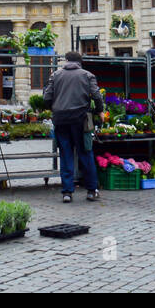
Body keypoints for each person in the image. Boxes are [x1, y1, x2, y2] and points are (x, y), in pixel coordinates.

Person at [44, 50, 103, 202]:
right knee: (85, 153)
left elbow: (47, 96)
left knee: (65, 155)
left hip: (60, 120)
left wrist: (55, 108)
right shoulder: (87, 75)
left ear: (66, 60)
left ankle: (67, 192)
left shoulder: (55, 75)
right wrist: (99, 111)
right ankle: (91, 190)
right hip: (80, 120)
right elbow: (97, 96)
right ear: (79, 62)